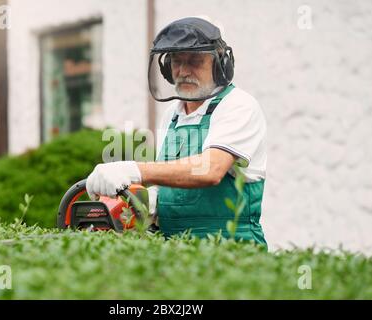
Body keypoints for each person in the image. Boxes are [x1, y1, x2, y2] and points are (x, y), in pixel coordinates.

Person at [86, 17, 267, 244]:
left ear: (220, 65)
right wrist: (152, 201)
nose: (183, 71)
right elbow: (173, 175)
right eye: (176, 61)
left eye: (194, 61)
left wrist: (132, 169)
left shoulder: (238, 105)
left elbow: (211, 169)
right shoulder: (173, 114)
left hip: (231, 247)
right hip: (174, 249)